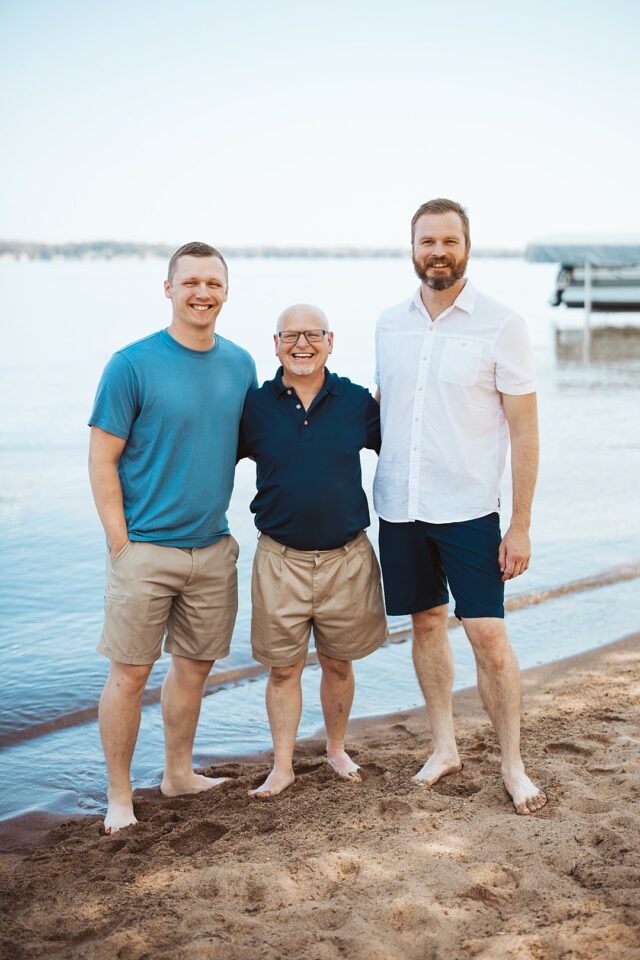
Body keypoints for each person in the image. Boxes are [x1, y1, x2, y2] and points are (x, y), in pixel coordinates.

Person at [374, 199, 547, 815]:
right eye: (427, 242)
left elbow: (524, 431)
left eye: (449, 241)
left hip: (471, 511)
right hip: (400, 507)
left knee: (488, 637)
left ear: (466, 246)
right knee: (424, 625)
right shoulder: (389, 323)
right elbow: (384, 408)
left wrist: (520, 524)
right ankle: (444, 745)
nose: (438, 252)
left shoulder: (503, 324)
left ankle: (512, 764)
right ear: (412, 247)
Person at [88, 242, 257, 833]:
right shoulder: (131, 364)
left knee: (194, 666)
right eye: (190, 282)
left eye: (213, 282)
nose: (202, 292)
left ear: (227, 293)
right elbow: (102, 458)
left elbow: (250, 444)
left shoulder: (241, 364)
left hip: (213, 548)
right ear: (169, 289)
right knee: (129, 673)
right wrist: (119, 543)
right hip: (145, 550)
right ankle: (118, 797)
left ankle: (177, 774)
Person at [239, 304, 387, 798]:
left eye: (312, 335)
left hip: (348, 558)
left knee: (339, 662)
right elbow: (205, 452)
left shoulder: (355, 401)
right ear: (275, 342)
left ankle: (336, 749)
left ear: (330, 339)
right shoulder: (254, 406)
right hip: (280, 559)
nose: (302, 345)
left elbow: (407, 446)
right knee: (283, 668)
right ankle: (282, 766)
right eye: (290, 336)